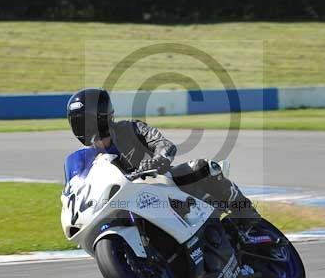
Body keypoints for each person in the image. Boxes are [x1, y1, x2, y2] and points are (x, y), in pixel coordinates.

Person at [66, 87, 261, 219]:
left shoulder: (131, 129)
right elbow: (77, 188)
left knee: (203, 168)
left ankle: (250, 218)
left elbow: (162, 144)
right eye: (79, 122)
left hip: (162, 186)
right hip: (127, 205)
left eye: (87, 121)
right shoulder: (84, 160)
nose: (86, 127)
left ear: (102, 117)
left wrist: (159, 159)